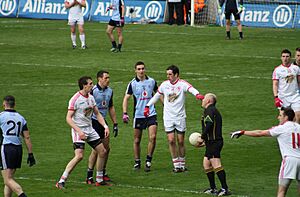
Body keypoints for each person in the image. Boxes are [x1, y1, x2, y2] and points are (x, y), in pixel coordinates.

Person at [144, 65, 204, 172]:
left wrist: (197, 94)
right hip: (168, 117)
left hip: (180, 116)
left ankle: (182, 164)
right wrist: (148, 106)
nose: (168, 76)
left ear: (176, 75)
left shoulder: (182, 84)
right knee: (171, 140)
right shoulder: (164, 85)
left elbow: (191, 88)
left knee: (180, 141)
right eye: (167, 74)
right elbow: (157, 95)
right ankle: (176, 165)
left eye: (170, 74)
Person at [231, 107, 300, 197]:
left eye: (280, 115)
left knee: (281, 192)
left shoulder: (281, 128)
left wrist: (243, 132)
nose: (278, 118)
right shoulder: (299, 127)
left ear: (286, 117)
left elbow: (260, 133)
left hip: (289, 160)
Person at [56, 76, 110, 189]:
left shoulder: (90, 98)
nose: (92, 85)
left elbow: (98, 113)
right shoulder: (75, 99)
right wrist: (79, 131)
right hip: (78, 130)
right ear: (84, 85)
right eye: (90, 84)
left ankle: (99, 179)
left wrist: (105, 126)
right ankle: (61, 181)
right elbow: (68, 118)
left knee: (102, 151)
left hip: (89, 129)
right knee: (79, 156)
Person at [122, 61, 159, 172]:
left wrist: (166, 105)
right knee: (137, 140)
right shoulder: (132, 83)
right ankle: (137, 161)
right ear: (135, 70)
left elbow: (158, 94)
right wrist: (125, 113)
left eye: (143, 68)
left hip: (151, 113)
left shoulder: (151, 81)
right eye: (139, 69)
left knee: (152, 137)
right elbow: (126, 98)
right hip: (138, 115)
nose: (141, 71)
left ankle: (148, 160)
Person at [86, 70, 118, 184]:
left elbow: (111, 107)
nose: (108, 80)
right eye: (106, 78)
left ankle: (102, 172)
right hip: (94, 122)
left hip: (103, 122)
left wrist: (115, 123)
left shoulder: (110, 91)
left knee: (106, 149)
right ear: (99, 79)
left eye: (108, 77)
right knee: (97, 150)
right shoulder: (93, 91)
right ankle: (90, 175)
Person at [195, 93, 230, 196]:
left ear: (209, 101)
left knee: (216, 164)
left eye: (204, 98)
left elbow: (209, 125)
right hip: (211, 142)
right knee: (206, 164)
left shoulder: (209, 110)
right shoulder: (211, 110)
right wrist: (205, 141)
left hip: (214, 142)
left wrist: (202, 137)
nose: (202, 100)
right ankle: (213, 188)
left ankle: (225, 189)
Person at [0, 95, 36, 197]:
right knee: (9, 178)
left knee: (7, 179)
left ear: (4, 104)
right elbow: (27, 137)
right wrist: (30, 154)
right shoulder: (21, 118)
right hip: (18, 149)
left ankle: (22, 195)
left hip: (6, 148)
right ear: (14, 104)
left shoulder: (1, 116)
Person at [272, 49, 300, 123]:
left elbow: (299, 81)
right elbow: (275, 84)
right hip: (283, 97)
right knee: (283, 118)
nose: (285, 58)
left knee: (298, 115)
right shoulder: (277, 70)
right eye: (283, 56)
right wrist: (276, 97)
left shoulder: (296, 68)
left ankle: (295, 132)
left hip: (295, 96)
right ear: (281, 57)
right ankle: (282, 132)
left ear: (290, 57)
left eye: (287, 56)